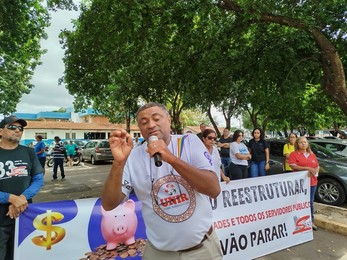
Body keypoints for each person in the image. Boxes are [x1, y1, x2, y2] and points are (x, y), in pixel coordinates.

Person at [101, 102, 222, 259]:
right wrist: (118, 163)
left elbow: (213, 189)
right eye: (144, 122)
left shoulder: (189, 142)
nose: (151, 125)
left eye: (156, 118)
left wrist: (171, 158)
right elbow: (109, 204)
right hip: (159, 253)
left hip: (202, 249)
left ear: (169, 120)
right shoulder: (132, 157)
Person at [0, 116, 44, 260]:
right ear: (1, 131)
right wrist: (10, 198)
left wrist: (22, 198)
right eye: (12, 127)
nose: (18, 131)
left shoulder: (29, 152)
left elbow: (38, 179)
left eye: (21, 128)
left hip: (24, 217)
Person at [288, 136, 319, 231]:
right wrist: (308, 169)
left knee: (310, 202)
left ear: (308, 143)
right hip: (300, 184)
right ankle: (297, 221)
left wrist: (315, 171)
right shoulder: (294, 154)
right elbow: (293, 166)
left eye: (305, 142)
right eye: (301, 142)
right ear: (297, 144)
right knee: (299, 203)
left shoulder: (311, 154)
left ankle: (310, 221)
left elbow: (317, 165)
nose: (303, 143)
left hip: (312, 182)